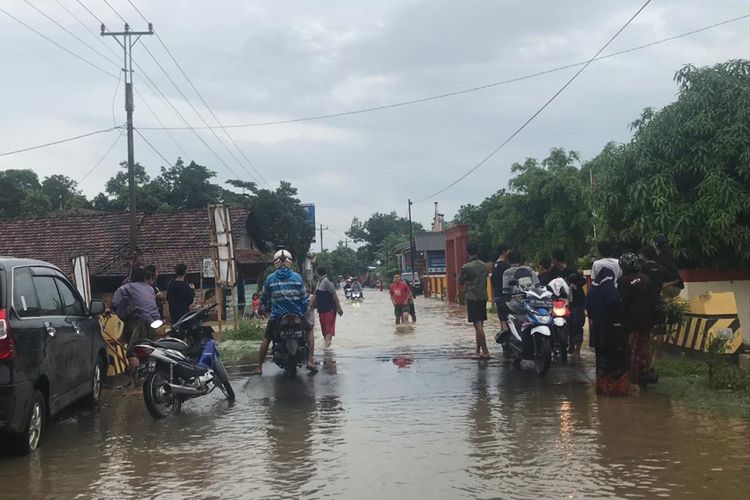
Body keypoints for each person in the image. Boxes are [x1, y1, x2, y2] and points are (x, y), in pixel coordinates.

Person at [255, 250, 316, 374]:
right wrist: (304, 311)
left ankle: (259, 367)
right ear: (291, 263)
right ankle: (310, 360)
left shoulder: (270, 278)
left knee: (267, 337)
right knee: (309, 330)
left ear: (275, 263)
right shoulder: (297, 277)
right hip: (297, 314)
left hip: (277, 316)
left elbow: (265, 298)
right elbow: (304, 299)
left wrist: (262, 307)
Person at [111, 267, 161, 386]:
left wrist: (112, 307)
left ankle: (139, 381)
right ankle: (152, 376)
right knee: (149, 348)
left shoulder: (128, 287)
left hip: (141, 321)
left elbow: (116, 299)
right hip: (156, 321)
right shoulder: (150, 288)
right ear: (146, 278)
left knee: (132, 352)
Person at [586, 267, 629, 396]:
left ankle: (604, 391)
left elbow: (589, 311)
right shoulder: (614, 294)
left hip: (600, 334)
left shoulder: (592, 293)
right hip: (616, 334)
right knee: (618, 361)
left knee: (602, 361)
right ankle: (620, 390)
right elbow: (621, 312)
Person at [618, 252, 656, 391]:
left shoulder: (624, 281)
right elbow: (654, 299)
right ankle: (644, 376)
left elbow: (622, 303)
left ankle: (633, 382)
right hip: (648, 320)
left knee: (632, 351)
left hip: (633, 322)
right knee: (644, 349)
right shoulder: (646, 279)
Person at [458, 241, 490, 359]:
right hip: (483, 296)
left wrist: (468, 283)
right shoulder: (484, 265)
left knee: (477, 326)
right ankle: (478, 350)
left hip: (472, 298)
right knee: (480, 324)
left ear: (467, 252)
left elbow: (461, 280)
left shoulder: (466, 267)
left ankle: (485, 350)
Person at [307, 266, 344, 348]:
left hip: (329, 309)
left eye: (316, 272)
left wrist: (339, 307)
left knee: (328, 330)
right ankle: (326, 346)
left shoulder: (326, 281)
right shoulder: (319, 282)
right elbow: (315, 295)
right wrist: (309, 306)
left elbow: (334, 295)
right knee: (324, 330)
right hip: (322, 310)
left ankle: (326, 348)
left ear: (318, 273)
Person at [491, 244, 512, 331]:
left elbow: (492, 282)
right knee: (508, 318)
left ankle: (504, 336)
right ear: (504, 251)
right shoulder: (505, 266)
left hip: (497, 295)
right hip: (505, 295)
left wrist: (492, 299)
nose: (509, 252)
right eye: (508, 250)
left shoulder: (495, 265)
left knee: (501, 318)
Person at [566, 272, 587, 356]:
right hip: (570, 305)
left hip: (578, 306)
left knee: (577, 326)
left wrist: (576, 286)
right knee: (570, 326)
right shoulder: (565, 284)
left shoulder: (579, 286)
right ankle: (572, 347)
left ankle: (577, 349)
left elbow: (583, 280)